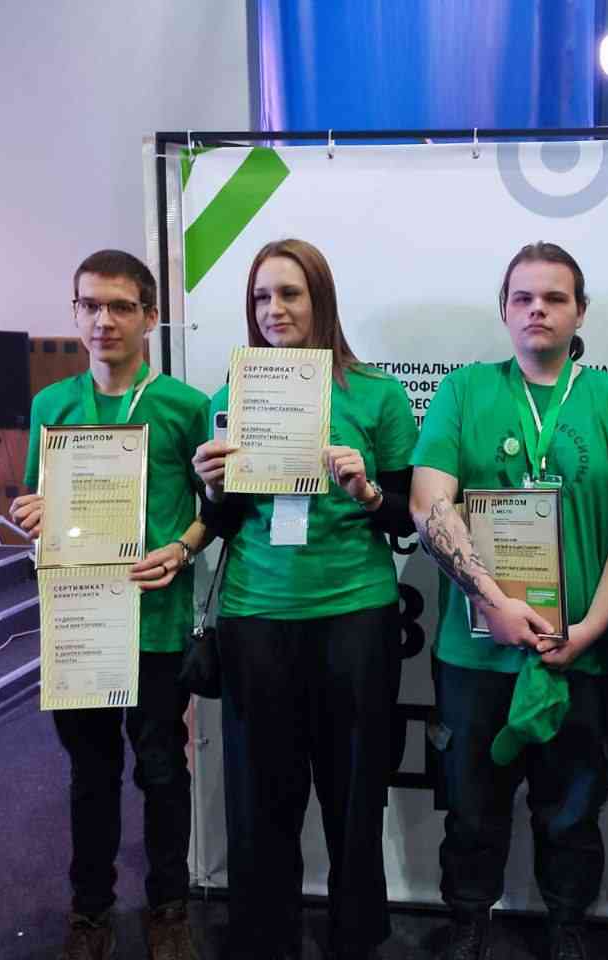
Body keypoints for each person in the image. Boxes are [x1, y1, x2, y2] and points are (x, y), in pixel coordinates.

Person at [190, 239, 418, 960]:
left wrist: (368, 490)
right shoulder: (233, 397)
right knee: (260, 801)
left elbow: (407, 518)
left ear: (321, 299)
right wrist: (212, 489)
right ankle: (264, 940)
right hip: (256, 617)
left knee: (355, 795)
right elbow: (227, 519)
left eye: (290, 293)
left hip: (355, 615)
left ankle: (356, 938)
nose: (275, 309)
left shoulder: (378, 396)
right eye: (261, 297)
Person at [409, 242, 608, 960]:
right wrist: (491, 600)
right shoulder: (463, 392)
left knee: (574, 811)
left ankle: (567, 924)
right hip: (478, 652)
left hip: (583, 649)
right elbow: (428, 504)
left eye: (555, 298)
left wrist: (594, 625)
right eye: (523, 298)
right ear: (504, 310)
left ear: (580, 312)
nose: (538, 310)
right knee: (472, 808)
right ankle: (468, 920)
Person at [10, 249, 209, 960]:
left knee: (162, 771)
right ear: (75, 313)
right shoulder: (50, 406)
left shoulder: (186, 406)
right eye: (90, 305)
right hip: (79, 617)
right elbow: (35, 498)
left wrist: (182, 547)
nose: (104, 320)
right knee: (90, 775)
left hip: (155, 619)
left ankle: (169, 907)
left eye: (121, 306)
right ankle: (90, 910)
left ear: (150, 317)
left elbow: (216, 508)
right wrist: (30, 512)